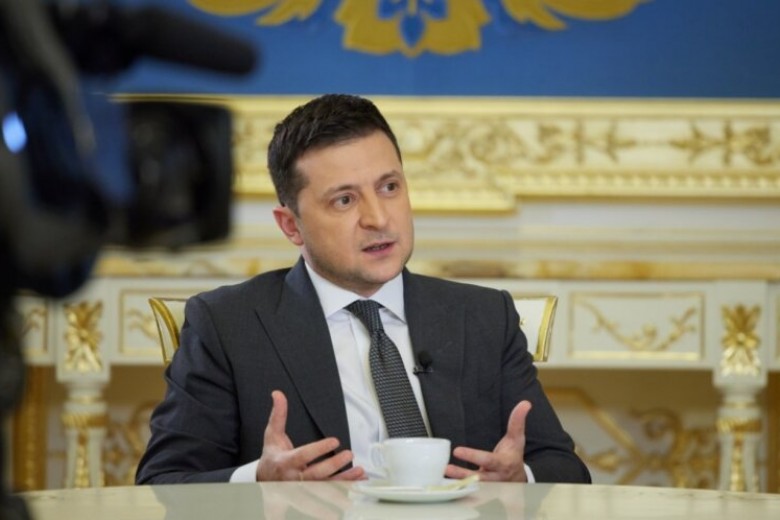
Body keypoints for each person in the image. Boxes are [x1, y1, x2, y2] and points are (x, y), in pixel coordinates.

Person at [136, 94, 590, 485]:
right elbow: (163, 481)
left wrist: (520, 478)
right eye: (345, 200)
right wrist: (258, 480)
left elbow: (564, 468)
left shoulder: (484, 316)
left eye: (389, 187)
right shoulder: (227, 325)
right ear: (291, 226)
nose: (378, 218)